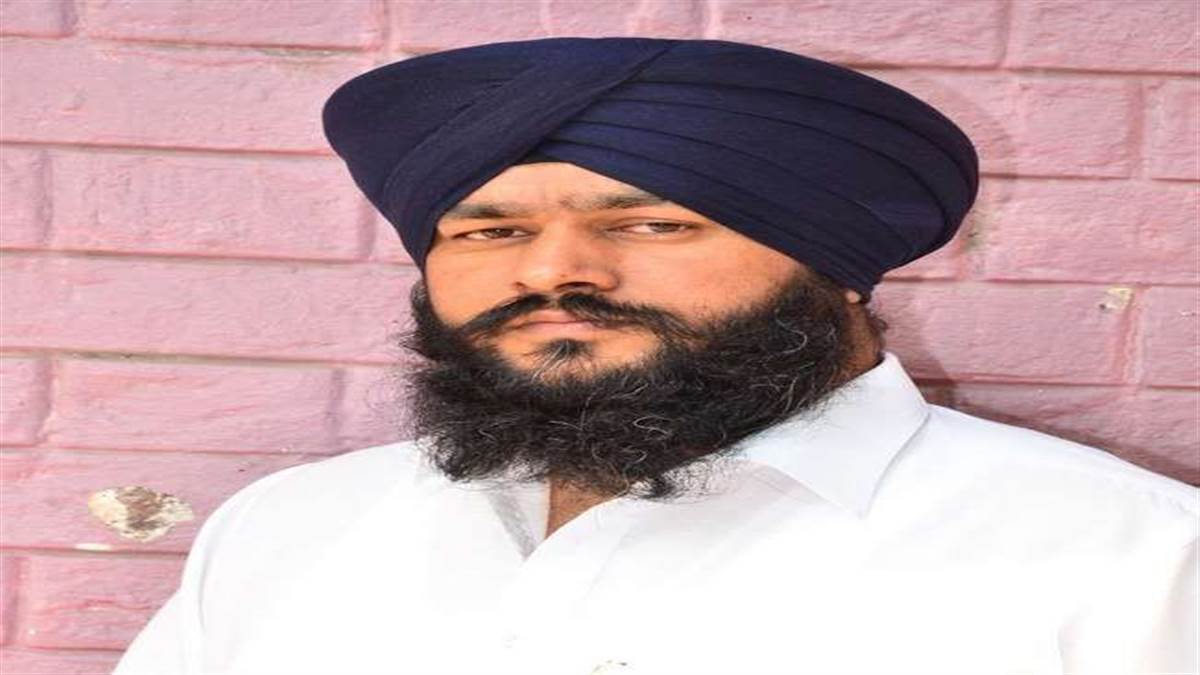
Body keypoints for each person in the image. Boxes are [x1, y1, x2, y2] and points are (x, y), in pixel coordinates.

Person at [114, 38, 1197, 675]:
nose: (554, 270)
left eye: (651, 224)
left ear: (835, 262)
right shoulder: (295, 529)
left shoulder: (1133, 555)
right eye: (490, 231)